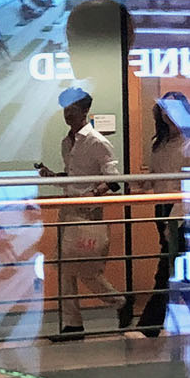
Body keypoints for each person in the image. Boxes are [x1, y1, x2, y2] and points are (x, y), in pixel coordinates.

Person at [35, 86, 125, 337]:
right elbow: (74, 176)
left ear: (85, 110)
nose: (68, 113)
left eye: (73, 107)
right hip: (68, 209)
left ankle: (119, 302)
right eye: (65, 107)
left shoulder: (97, 141)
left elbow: (114, 179)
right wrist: (53, 176)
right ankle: (72, 324)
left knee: (85, 269)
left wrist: (93, 194)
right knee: (64, 267)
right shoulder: (67, 142)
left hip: (87, 213)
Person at [130, 91, 190, 337]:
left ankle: (149, 325)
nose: (168, 119)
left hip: (182, 212)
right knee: (181, 267)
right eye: (164, 114)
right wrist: (139, 184)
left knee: (167, 267)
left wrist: (173, 220)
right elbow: (156, 176)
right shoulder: (161, 144)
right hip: (162, 208)